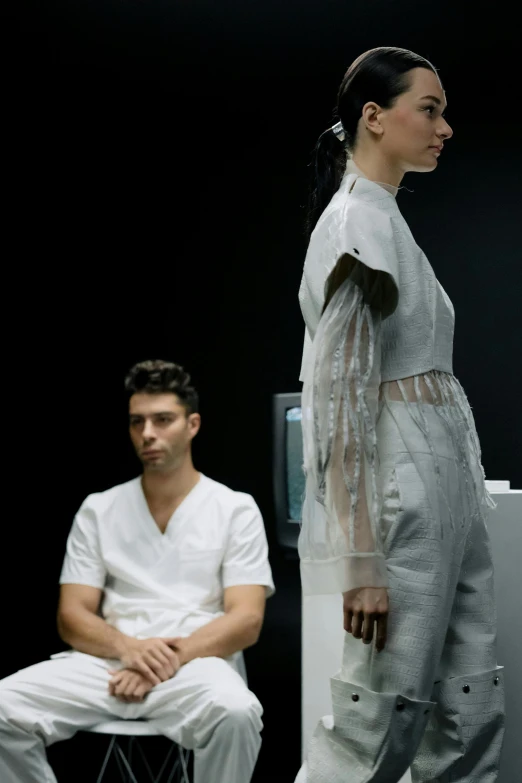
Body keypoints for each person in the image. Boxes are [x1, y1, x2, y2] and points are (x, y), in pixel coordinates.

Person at [295, 47, 505, 783]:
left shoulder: (387, 222)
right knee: (379, 721)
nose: (444, 127)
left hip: (448, 487)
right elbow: (340, 401)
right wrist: (360, 559)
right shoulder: (354, 223)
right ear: (374, 118)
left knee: (469, 703)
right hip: (403, 494)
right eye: (431, 108)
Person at [0, 360, 275, 783]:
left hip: (195, 666)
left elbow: (246, 620)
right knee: (2, 706)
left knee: (236, 713)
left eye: (163, 420)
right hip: (107, 665)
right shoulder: (100, 508)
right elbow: (71, 616)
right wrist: (129, 651)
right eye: (137, 422)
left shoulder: (234, 508)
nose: (147, 433)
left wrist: (163, 661)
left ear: (192, 424)